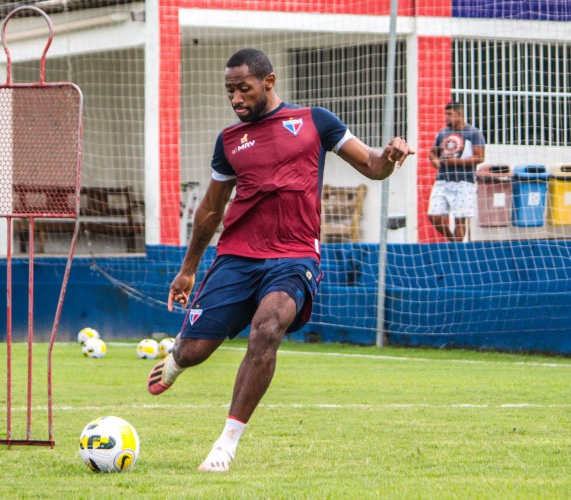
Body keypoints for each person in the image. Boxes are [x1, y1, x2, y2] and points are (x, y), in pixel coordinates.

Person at [146, 48, 414, 472]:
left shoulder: (315, 122)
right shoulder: (229, 142)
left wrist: (391, 155)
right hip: (236, 255)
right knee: (197, 351)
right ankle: (177, 356)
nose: (235, 98)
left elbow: (373, 166)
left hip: (294, 255)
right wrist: (188, 269)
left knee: (268, 327)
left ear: (269, 82)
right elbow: (212, 210)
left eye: (243, 89)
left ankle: (226, 444)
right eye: (229, 91)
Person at [427, 101, 486, 241]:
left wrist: (457, 162)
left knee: (460, 219)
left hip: (464, 182)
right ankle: (452, 241)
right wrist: (435, 161)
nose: (446, 117)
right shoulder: (443, 133)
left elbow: (480, 157)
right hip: (442, 180)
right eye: (445, 114)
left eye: (450, 114)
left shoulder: (473, 133)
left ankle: (457, 250)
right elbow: (432, 153)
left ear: (459, 114)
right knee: (434, 215)